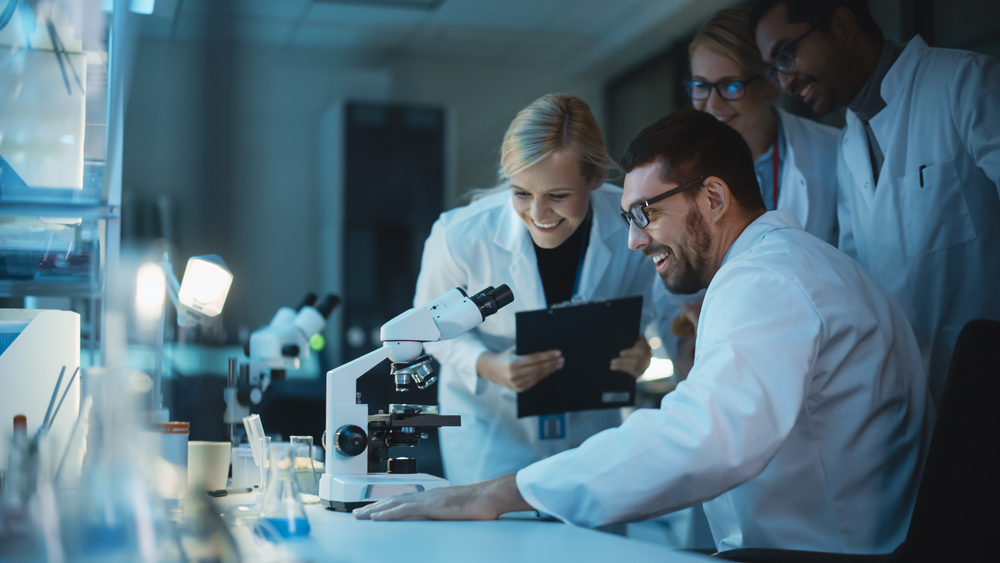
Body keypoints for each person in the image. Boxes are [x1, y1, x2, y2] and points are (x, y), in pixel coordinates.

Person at [356, 109, 934, 555]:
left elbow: (705, 437)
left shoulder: (765, 282)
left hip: (824, 551)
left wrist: (504, 490)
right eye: (630, 217)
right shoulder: (794, 264)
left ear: (713, 197)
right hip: (837, 537)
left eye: (644, 214)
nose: (633, 239)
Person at [752, 0, 1000, 410]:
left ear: (844, 24)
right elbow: (861, 285)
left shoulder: (964, 82)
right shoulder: (849, 144)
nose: (783, 81)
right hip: (916, 402)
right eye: (772, 68)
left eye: (786, 54)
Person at [412, 94, 656, 486]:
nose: (538, 215)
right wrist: (487, 365)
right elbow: (428, 328)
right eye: (521, 193)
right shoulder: (459, 236)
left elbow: (642, 304)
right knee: (500, 540)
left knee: (593, 539)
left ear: (594, 179)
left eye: (558, 196)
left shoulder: (630, 222)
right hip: (493, 427)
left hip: (590, 423)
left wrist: (637, 344)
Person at [657, 7, 842, 373]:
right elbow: (667, 291)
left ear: (771, 82)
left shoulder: (833, 153)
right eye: (700, 86)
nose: (711, 104)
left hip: (824, 352)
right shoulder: (678, 176)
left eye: (731, 85)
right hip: (729, 359)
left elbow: (851, 265)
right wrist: (687, 341)